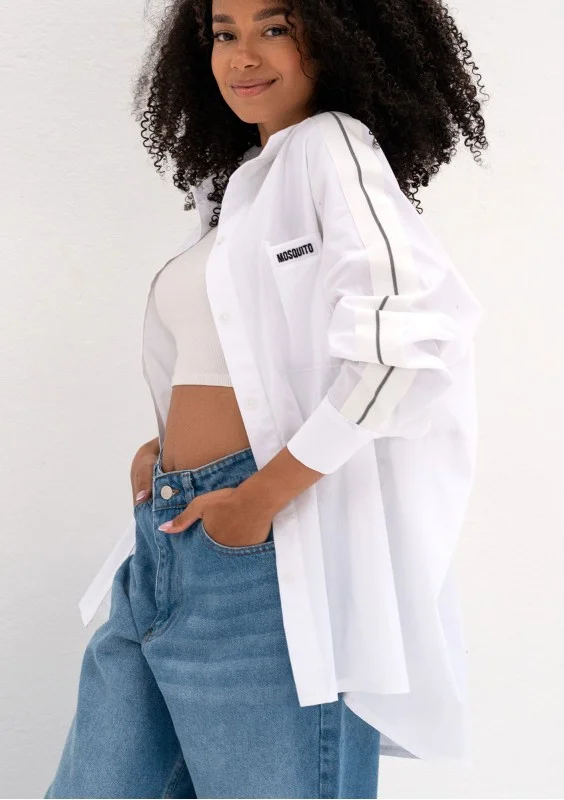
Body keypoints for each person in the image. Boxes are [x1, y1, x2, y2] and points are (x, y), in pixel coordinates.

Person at [45, 0, 488, 797]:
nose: (243, 55)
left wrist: (259, 497)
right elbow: (241, 359)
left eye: (275, 28)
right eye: (225, 32)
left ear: (342, 37)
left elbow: (405, 343)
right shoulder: (234, 195)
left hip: (262, 557)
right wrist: (163, 447)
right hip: (167, 539)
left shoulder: (330, 145)